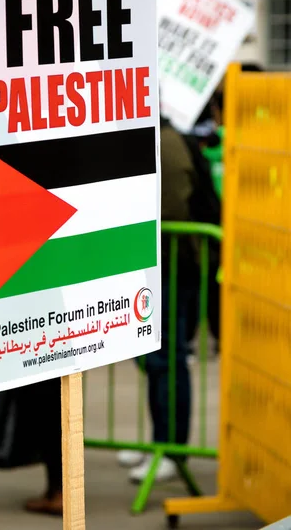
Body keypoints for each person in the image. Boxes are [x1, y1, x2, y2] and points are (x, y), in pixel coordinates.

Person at [119, 117, 220, 483]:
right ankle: (161, 441)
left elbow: (171, 205)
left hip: (172, 266)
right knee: (156, 359)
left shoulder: (166, 141)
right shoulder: (158, 137)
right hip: (161, 266)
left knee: (166, 360)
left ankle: (170, 447)